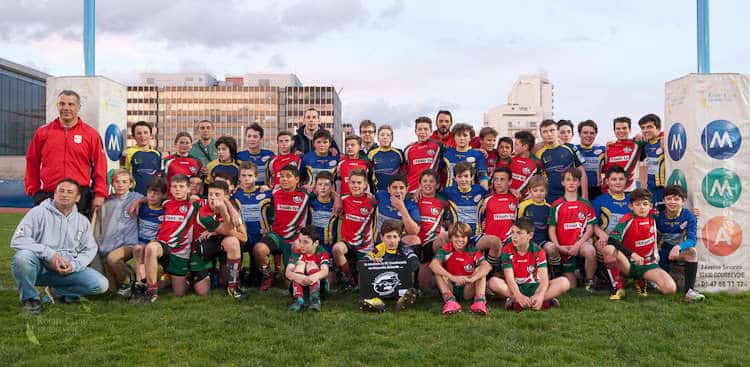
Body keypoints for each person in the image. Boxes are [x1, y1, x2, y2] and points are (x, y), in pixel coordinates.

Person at [11, 179, 109, 315]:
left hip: (67, 269)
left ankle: (57, 291)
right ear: (54, 194)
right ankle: (31, 300)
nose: (65, 195)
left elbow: (89, 249)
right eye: (61, 191)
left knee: (100, 285)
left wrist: (73, 265)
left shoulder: (82, 221)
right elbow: (18, 240)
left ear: (77, 198)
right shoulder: (37, 213)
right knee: (22, 258)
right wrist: (49, 254)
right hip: (40, 269)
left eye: (70, 192)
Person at [25, 90, 108, 217]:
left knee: (77, 236)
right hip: (49, 194)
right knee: (48, 236)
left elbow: (100, 166)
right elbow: (32, 162)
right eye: (62, 104)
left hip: (80, 196)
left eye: (71, 104)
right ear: (57, 106)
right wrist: (34, 190)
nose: (66, 108)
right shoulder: (43, 133)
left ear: (78, 107)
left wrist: (100, 193)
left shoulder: (91, 134)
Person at [601, 188, 678, 297]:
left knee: (670, 289)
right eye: (637, 204)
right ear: (631, 206)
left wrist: (692, 212)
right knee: (608, 249)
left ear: (650, 206)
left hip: (647, 263)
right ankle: (617, 287)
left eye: (645, 204)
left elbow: (671, 207)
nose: (642, 207)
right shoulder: (626, 219)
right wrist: (632, 254)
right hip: (628, 263)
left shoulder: (654, 215)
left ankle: (642, 281)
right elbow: (612, 240)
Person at [138, 174, 201, 303]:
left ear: (188, 189)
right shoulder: (166, 203)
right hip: (164, 246)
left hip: (181, 253)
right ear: (170, 190)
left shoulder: (194, 205)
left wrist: (196, 198)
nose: (178, 189)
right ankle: (151, 291)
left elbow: (213, 202)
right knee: (151, 247)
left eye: (181, 186)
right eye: (175, 186)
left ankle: (170, 280)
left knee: (179, 293)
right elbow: (150, 197)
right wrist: (137, 202)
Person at [253, 165, 315, 291]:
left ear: (297, 179)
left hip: (295, 240)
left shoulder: (305, 194)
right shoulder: (275, 193)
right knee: (259, 249)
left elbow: (327, 193)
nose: (284, 179)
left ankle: (287, 274)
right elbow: (254, 193)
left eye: (288, 176)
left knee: (290, 285)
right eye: (281, 176)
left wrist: (336, 199)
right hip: (277, 236)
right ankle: (268, 276)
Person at [489, 218, 569, 311]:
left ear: (530, 235)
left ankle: (520, 302)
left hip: (534, 287)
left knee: (564, 282)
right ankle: (543, 301)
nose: (514, 237)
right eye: (512, 232)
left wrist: (539, 295)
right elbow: (510, 279)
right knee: (493, 282)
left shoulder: (538, 251)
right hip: (515, 288)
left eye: (519, 233)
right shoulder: (507, 250)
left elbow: (544, 280)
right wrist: (518, 295)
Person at [190, 181, 248, 300]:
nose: (212, 198)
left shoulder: (233, 207)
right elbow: (228, 228)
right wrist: (224, 212)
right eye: (210, 194)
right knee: (202, 291)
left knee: (233, 242)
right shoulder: (204, 213)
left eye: (217, 194)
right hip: (202, 248)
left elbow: (244, 237)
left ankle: (233, 287)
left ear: (226, 197)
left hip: (221, 244)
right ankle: (204, 272)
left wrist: (216, 231)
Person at [547, 168, 597, 290]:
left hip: (579, 245)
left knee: (590, 251)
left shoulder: (586, 204)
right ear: (563, 183)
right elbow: (551, 229)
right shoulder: (556, 204)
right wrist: (558, 246)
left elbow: (590, 228)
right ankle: (565, 273)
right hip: (563, 247)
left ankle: (589, 281)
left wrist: (578, 244)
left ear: (579, 183)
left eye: (575, 180)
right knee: (572, 286)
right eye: (568, 180)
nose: (571, 183)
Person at [97, 169, 143, 297]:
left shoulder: (136, 197)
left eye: (124, 182)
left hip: (129, 243)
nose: (120, 185)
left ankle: (127, 283)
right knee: (111, 288)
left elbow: (152, 197)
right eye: (117, 182)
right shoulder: (108, 201)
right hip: (111, 243)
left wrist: (140, 202)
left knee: (112, 258)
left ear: (130, 184)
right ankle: (125, 275)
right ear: (112, 183)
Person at [429, 222, 491, 315]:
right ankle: (450, 301)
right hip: (450, 287)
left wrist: (471, 279)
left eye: (463, 237)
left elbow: (487, 266)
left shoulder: (472, 250)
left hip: (467, 287)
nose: (460, 240)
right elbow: (433, 265)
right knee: (438, 270)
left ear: (468, 238)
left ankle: (479, 302)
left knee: (481, 270)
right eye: (456, 237)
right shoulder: (446, 250)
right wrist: (453, 277)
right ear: (451, 238)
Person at [656, 185, 705, 302]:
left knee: (692, 252)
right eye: (669, 199)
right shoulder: (657, 214)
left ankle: (689, 291)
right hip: (660, 253)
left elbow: (692, 240)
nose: (672, 202)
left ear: (683, 201)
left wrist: (678, 247)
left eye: (676, 199)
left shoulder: (688, 215)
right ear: (663, 200)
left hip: (678, 252)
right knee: (664, 289)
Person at [331, 169, 377, 291]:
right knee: (337, 248)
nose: (355, 186)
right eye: (353, 182)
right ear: (348, 183)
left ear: (365, 185)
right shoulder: (344, 199)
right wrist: (336, 198)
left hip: (365, 247)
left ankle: (357, 277)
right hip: (348, 244)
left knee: (366, 284)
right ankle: (349, 280)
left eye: (359, 183)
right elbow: (329, 192)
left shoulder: (372, 201)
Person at [360, 220, 420, 312]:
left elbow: (414, 261)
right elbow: (363, 263)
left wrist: (404, 264)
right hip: (381, 285)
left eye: (395, 237)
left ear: (400, 238)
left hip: (400, 283)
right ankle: (376, 302)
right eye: (388, 237)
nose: (392, 240)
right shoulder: (379, 248)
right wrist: (373, 261)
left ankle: (402, 300)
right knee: (366, 275)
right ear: (382, 237)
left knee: (410, 288)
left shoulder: (404, 248)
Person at [591, 166, 631, 299]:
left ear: (626, 181)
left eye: (621, 179)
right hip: (606, 240)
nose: (618, 182)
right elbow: (592, 223)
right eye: (614, 179)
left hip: (628, 241)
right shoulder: (599, 200)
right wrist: (600, 233)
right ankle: (617, 286)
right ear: (607, 181)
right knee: (607, 248)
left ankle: (639, 280)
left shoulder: (633, 199)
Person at [232, 162, 272, 285]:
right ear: (239, 177)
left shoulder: (265, 193)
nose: (246, 178)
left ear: (256, 177)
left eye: (250, 175)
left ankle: (265, 275)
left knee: (255, 279)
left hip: (260, 235)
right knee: (236, 248)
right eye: (243, 175)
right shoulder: (235, 194)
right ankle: (235, 277)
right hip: (243, 234)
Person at [413, 169, 452, 290]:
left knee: (442, 241)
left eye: (431, 181)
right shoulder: (412, 199)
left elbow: (447, 223)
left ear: (437, 185)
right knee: (425, 286)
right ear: (419, 184)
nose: (428, 184)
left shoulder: (443, 203)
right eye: (425, 181)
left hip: (432, 243)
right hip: (416, 242)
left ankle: (449, 281)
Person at [536, 119, 588, 202]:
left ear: (557, 132)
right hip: (549, 199)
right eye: (545, 132)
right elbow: (538, 177)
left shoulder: (571, 148)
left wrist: (585, 196)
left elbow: (582, 172)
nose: (549, 134)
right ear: (541, 135)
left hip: (571, 197)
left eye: (552, 130)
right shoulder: (539, 153)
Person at [477, 167, 517, 269]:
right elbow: (478, 217)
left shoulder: (515, 199)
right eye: (496, 179)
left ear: (510, 182)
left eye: (502, 179)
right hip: (491, 243)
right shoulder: (487, 199)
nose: (498, 183)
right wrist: (482, 224)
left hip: (509, 241)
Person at [133, 178, 167, 297]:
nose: (152, 196)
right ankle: (140, 283)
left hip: (156, 243)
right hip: (140, 241)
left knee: (146, 250)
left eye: (156, 193)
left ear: (163, 195)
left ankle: (151, 283)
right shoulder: (142, 206)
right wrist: (137, 202)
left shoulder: (165, 209)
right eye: (149, 193)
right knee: (138, 249)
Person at [285, 226, 331, 312]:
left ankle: (315, 300)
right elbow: (288, 272)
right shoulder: (297, 252)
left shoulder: (322, 252)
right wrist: (302, 278)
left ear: (316, 243)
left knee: (311, 265)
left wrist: (312, 277)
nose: (301, 245)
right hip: (299, 286)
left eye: (305, 242)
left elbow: (325, 271)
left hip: (320, 287)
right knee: (300, 264)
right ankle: (298, 300)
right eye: (300, 241)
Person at [439, 162, 486, 243]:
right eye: (459, 177)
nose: (463, 180)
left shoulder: (480, 190)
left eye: (466, 176)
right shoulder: (448, 191)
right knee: (439, 239)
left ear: (472, 177)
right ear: (455, 178)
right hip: (457, 237)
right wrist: (420, 191)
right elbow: (433, 195)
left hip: (476, 236)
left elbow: (494, 198)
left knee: (493, 241)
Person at [374, 174, 421, 243]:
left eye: (401, 188)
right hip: (379, 240)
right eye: (394, 187)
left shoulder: (411, 205)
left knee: (415, 240)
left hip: (397, 242)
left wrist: (402, 208)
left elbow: (414, 231)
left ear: (407, 189)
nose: (398, 191)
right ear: (389, 189)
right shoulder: (381, 196)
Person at [602, 116, 645, 193]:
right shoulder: (608, 147)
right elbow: (605, 170)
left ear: (630, 130)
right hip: (609, 191)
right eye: (618, 128)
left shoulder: (637, 144)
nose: (621, 131)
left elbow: (654, 137)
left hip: (629, 191)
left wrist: (661, 136)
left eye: (624, 128)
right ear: (614, 130)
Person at [442, 123, 488, 189]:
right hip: (450, 194)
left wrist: (483, 194)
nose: (462, 138)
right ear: (454, 137)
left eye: (465, 135)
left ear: (470, 138)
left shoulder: (478, 154)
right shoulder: (447, 152)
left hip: (470, 196)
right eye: (458, 135)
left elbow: (483, 178)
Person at [404, 116, 443, 192]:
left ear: (431, 131)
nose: (422, 132)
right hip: (411, 191)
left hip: (428, 190)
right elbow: (404, 171)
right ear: (415, 131)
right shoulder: (408, 149)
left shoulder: (438, 146)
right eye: (419, 129)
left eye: (426, 129)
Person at [123, 121, 162, 195]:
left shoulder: (157, 154)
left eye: (145, 132)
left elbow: (159, 175)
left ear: (151, 135)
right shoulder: (127, 153)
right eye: (139, 133)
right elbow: (123, 174)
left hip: (154, 196)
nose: (142, 136)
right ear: (133, 136)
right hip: (134, 195)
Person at [638, 114, 666, 207]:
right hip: (650, 190)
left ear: (658, 128)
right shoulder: (643, 145)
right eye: (643, 128)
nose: (646, 130)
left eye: (649, 127)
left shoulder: (665, 141)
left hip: (665, 189)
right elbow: (642, 166)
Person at [518, 175, 552, 250]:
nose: (538, 193)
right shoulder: (522, 206)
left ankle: (552, 262)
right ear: (530, 191)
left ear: (546, 191)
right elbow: (518, 226)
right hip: (527, 241)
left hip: (543, 241)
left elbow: (551, 229)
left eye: (542, 190)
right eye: (535, 190)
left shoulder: (549, 208)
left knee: (552, 247)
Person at [368, 124, 405, 192]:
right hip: (379, 192)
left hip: (396, 192)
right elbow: (369, 175)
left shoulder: (399, 153)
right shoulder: (371, 153)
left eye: (388, 135)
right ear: (378, 138)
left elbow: (404, 173)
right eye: (382, 135)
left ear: (392, 138)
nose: (385, 137)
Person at [308, 172, 337, 254]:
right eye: (320, 184)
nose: (323, 187)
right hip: (314, 245)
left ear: (331, 187)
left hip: (331, 246)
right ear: (315, 186)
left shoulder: (337, 204)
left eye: (326, 185)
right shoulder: (309, 201)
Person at [576, 120, 605, 200]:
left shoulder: (603, 150)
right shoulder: (573, 149)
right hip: (577, 191)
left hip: (596, 191)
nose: (588, 135)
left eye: (592, 133)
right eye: (585, 132)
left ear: (596, 134)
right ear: (579, 134)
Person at [510, 131, 542, 199]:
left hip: (525, 201)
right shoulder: (511, 159)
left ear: (525, 147)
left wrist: (522, 194)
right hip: (509, 198)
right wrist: (510, 190)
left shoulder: (537, 163)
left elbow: (537, 183)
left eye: (516, 144)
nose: (513, 147)